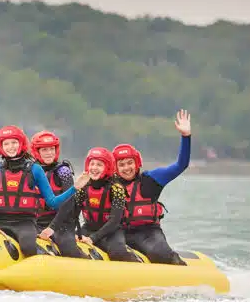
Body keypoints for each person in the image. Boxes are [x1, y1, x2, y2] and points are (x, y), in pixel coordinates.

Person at [0, 125, 77, 258]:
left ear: (21, 143)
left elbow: (53, 202)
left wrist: (75, 188)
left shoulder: (35, 169)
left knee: (28, 247)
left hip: (24, 223)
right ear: (1, 146)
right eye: (6, 143)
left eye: (14, 142)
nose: (11, 147)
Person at [112, 109, 192, 265]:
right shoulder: (109, 184)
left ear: (137, 163)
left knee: (160, 253)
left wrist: (186, 136)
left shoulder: (151, 179)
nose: (126, 168)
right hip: (118, 234)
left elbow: (181, 165)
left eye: (130, 163)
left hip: (148, 233)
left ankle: (180, 269)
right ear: (115, 167)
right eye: (121, 165)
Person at [45, 147, 138, 262]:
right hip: (88, 229)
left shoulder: (116, 188)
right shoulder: (84, 187)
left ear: (107, 167)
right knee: (67, 245)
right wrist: (56, 230)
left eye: (99, 164)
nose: (94, 168)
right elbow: (72, 213)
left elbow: (114, 221)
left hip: (111, 232)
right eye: (92, 164)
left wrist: (93, 239)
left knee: (118, 252)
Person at [29, 130, 88, 258]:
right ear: (36, 151)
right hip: (37, 222)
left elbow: (69, 203)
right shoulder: (30, 171)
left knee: (69, 250)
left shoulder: (63, 171)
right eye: (44, 150)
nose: (49, 153)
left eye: (51, 149)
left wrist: (52, 228)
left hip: (62, 224)